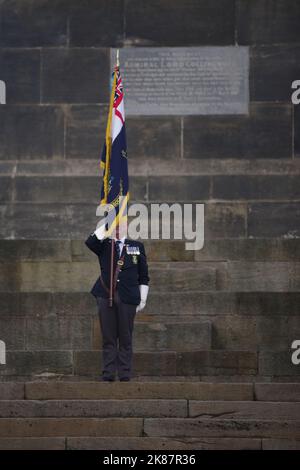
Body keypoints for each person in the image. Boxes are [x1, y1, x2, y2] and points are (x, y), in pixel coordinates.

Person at [85, 223, 150, 382]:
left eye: (123, 224)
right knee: (108, 337)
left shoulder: (136, 246)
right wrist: (107, 223)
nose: (119, 227)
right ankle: (108, 373)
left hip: (128, 297)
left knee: (126, 337)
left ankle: (125, 374)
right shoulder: (104, 245)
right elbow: (90, 242)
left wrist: (143, 298)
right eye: (116, 225)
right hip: (105, 295)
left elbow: (143, 275)